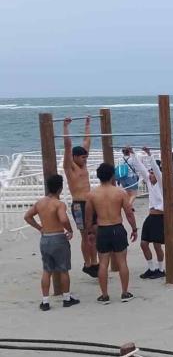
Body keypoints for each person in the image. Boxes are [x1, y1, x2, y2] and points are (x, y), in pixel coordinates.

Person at [24, 174, 79, 311]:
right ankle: (66, 298)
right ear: (60, 189)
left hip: (46, 237)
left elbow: (27, 216)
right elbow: (63, 219)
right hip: (58, 237)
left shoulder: (40, 203)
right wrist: (70, 230)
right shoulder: (59, 204)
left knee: (47, 270)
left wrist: (39, 228)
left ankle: (45, 301)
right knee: (63, 269)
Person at [85, 163, 138, 304]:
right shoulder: (120, 192)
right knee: (122, 261)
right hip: (117, 228)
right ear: (112, 176)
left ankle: (104, 295)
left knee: (103, 263)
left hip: (102, 229)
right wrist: (134, 228)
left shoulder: (92, 194)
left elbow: (88, 217)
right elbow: (129, 213)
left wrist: (89, 232)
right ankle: (125, 293)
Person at [62, 116, 98, 277]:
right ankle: (88, 263)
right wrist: (65, 127)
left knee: (94, 233)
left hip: (90, 203)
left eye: (86, 157)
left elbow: (87, 141)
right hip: (79, 205)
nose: (85, 159)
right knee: (85, 235)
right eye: (83, 157)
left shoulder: (83, 164)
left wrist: (87, 124)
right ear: (75, 157)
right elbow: (68, 145)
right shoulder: (70, 168)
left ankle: (95, 261)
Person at [128, 148, 166, 279]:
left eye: (152, 173)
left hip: (160, 217)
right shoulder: (150, 181)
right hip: (151, 217)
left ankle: (161, 269)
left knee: (157, 245)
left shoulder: (162, 183)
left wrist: (150, 155)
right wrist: (132, 153)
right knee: (144, 243)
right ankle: (151, 268)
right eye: (149, 173)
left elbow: (156, 170)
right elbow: (140, 168)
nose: (150, 174)